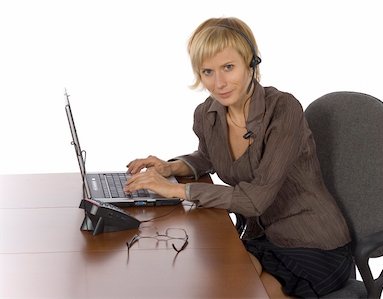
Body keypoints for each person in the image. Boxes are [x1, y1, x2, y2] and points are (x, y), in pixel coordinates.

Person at [124, 17, 352, 298]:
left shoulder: (283, 110)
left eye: (228, 67)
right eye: (207, 71)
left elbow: (256, 200)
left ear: (251, 63)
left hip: (314, 243)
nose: (219, 83)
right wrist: (170, 166)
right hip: (262, 237)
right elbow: (208, 156)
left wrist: (177, 190)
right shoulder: (208, 113)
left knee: (249, 293)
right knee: (221, 283)